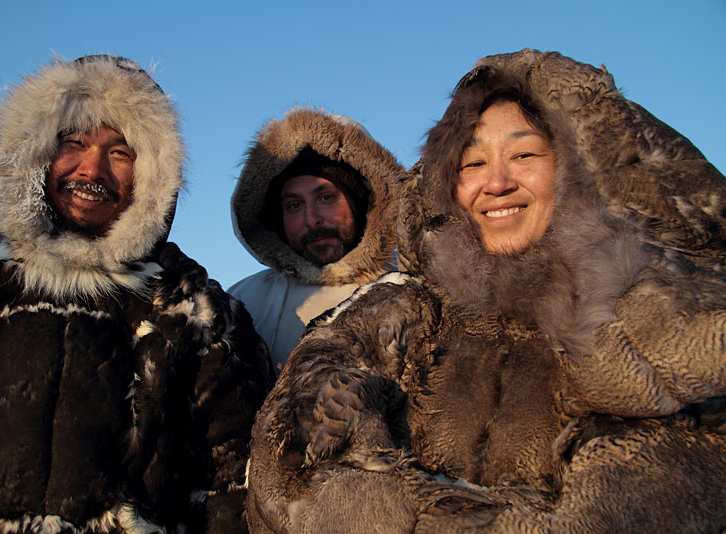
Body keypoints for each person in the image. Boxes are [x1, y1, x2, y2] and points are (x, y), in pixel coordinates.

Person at [246, 50, 726, 533]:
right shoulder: (396, 309)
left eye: (524, 154)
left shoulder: (653, 314)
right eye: (472, 162)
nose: (496, 182)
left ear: (575, 167)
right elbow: (292, 466)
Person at [0, 55, 274, 534]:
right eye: (74, 142)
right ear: (36, 153)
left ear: (152, 173)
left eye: (120, 152)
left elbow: (230, 490)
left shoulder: (196, 309)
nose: (92, 169)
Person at [229, 108, 405, 373]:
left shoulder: (413, 284)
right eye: (294, 205)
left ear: (360, 204)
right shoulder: (242, 303)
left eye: (326, 198)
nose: (311, 219)